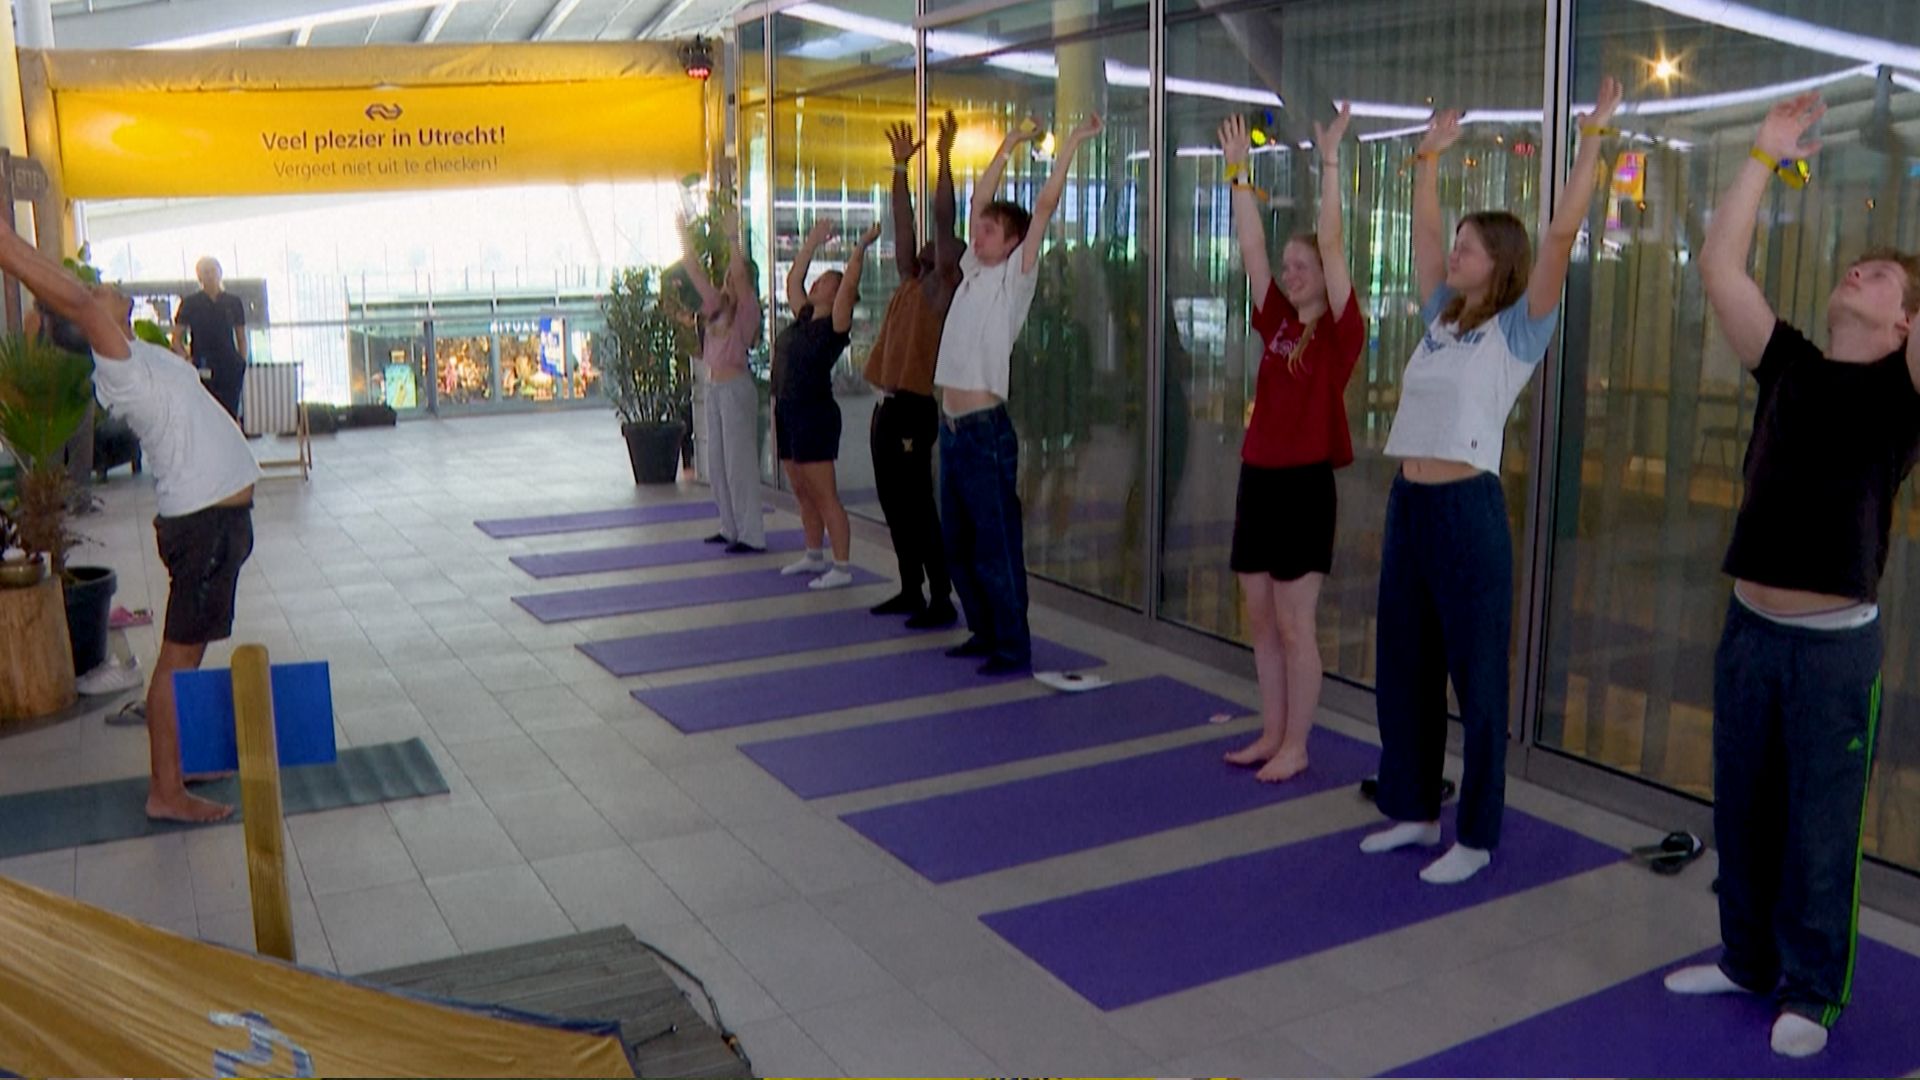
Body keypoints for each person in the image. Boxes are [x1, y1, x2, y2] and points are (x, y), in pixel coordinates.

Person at [1659, 91, 1920, 1060]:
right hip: (1749, 629)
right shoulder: (1792, 364)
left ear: (1904, 321)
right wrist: (1763, 156)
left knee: (1819, 829)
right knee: (1745, 807)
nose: (1862, 269)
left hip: (1831, 652)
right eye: (1862, 262)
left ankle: (1812, 985)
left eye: (1885, 274)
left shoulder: (1902, 395)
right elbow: (1720, 266)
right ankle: (1744, 957)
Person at [1360, 77, 1622, 885]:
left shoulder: (1520, 327)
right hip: (1411, 504)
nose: (1457, 253)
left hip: (1469, 510)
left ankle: (1474, 835)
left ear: (1498, 262)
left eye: (1474, 245)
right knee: (1404, 664)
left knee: (1476, 679)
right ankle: (1411, 808)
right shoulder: (1443, 316)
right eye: (1459, 244)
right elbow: (1428, 237)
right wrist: (1427, 165)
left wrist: (1588, 146)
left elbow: (1560, 235)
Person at [0, 223, 258, 824]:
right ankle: (166, 791)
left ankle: (180, 761)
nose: (107, 286)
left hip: (215, 522)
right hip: (203, 526)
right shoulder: (117, 368)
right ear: (88, 324)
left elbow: (74, 298)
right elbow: (77, 300)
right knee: (177, 661)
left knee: (188, 659)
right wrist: (8, 246)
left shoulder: (136, 353)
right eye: (99, 292)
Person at [1216, 104, 1365, 783]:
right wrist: (1239, 177)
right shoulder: (1275, 317)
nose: (1293, 269)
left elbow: (1334, 245)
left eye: (1304, 263)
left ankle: (1298, 743)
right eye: (1291, 263)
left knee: (1296, 622)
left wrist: (1330, 161)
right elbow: (1251, 249)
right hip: (1260, 476)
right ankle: (1272, 731)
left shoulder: (1339, 332)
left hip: (1305, 485)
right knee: (1260, 617)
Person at [934, 112, 1103, 676]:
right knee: (958, 541)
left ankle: (1012, 644)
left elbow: (1047, 208)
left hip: (984, 430)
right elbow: (982, 195)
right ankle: (983, 630)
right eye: (978, 229)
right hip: (952, 427)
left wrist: (1072, 143)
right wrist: (1008, 143)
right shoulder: (971, 270)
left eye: (989, 232)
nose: (977, 235)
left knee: (996, 544)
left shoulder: (1014, 279)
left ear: (1011, 245)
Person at [864, 110, 965, 629]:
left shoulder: (940, 289)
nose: (927, 244)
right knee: (894, 504)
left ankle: (941, 598)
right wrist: (900, 170)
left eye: (939, 248)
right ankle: (910, 587)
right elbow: (904, 228)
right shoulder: (911, 279)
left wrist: (943, 158)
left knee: (918, 506)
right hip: (888, 407)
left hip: (915, 410)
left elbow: (944, 222)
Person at [773, 217, 880, 590]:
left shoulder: (835, 325)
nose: (817, 283)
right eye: (818, 280)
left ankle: (842, 564)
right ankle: (813, 552)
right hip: (787, 408)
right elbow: (792, 281)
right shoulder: (803, 315)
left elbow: (850, 285)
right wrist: (812, 242)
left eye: (827, 282)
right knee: (801, 487)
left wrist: (860, 248)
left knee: (823, 492)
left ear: (837, 296)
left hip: (814, 411)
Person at [678, 207, 766, 554]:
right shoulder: (717, 306)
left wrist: (733, 238)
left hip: (735, 388)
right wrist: (683, 234)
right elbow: (694, 271)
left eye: (733, 276)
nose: (729, 279)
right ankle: (729, 525)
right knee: (717, 462)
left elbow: (741, 276)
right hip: (715, 388)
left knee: (738, 463)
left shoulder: (747, 309)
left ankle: (751, 533)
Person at [171, 256, 249, 423]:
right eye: (205, 272)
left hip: (229, 366)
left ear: (220, 273)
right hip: (203, 364)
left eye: (213, 271)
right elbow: (176, 339)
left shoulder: (233, 302)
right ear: (199, 277)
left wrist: (241, 362)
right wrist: (188, 359)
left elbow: (241, 336)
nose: (210, 275)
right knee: (206, 415)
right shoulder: (190, 303)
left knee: (230, 415)